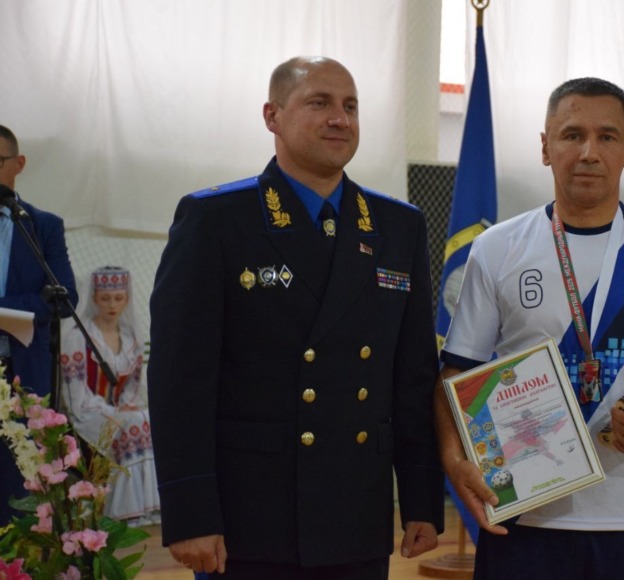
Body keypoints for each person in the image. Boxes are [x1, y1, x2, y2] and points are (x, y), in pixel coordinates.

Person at [148, 56, 444, 578]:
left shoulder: (399, 226)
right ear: (273, 116)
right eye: (319, 103)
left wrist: (421, 497)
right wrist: (190, 512)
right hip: (251, 516)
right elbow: (180, 381)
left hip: (356, 510)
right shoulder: (217, 219)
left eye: (351, 106)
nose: (340, 119)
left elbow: (413, 376)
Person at [434, 78, 624, 580]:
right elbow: (457, 371)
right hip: (523, 514)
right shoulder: (497, 248)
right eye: (572, 135)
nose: (589, 152)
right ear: (545, 146)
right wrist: (450, 455)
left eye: (607, 137)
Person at [0, 125, 79, 525]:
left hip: (23, 372)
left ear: (18, 164)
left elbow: (64, 297)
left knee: (20, 485)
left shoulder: (41, 226)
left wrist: (4, 310)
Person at [60, 266, 159, 525]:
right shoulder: (78, 337)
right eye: (105, 298)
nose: (112, 305)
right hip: (87, 414)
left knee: (149, 419)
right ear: (94, 298)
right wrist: (115, 411)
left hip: (117, 412)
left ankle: (149, 507)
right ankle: (125, 511)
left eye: (118, 298)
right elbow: (75, 396)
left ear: (127, 299)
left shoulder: (130, 337)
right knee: (133, 425)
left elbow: (132, 386)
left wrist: (127, 406)